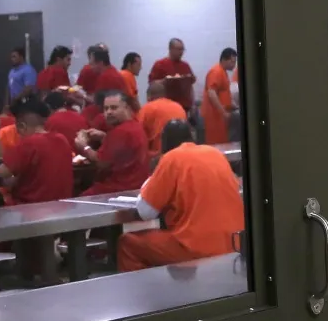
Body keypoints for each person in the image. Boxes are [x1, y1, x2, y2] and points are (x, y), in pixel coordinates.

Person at [118, 120, 245, 271]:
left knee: (128, 243)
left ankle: (147, 287)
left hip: (196, 247)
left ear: (163, 143)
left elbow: (145, 212)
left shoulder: (171, 158)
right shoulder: (215, 154)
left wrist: (155, 174)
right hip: (235, 243)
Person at [0, 96, 74, 205]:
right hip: (63, 207)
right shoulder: (62, 139)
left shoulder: (29, 143)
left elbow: (3, 172)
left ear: (21, 126)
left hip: (30, 209)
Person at [76, 89, 149, 194]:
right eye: (106, 109)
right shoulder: (135, 126)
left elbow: (101, 163)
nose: (109, 112)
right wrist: (104, 137)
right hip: (136, 187)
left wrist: (83, 146)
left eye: (114, 108)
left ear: (127, 108)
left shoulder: (120, 131)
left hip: (117, 189)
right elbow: (122, 149)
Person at [138, 80, 188, 157]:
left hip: (159, 155)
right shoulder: (178, 106)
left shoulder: (147, 108)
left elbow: (138, 135)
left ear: (149, 96)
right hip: (182, 152)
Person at [202, 48, 239, 146]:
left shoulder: (222, 72)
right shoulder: (216, 71)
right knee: (216, 144)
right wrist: (223, 112)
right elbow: (211, 93)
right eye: (232, 62)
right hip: (214, 117)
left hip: (219, 116)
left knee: (222, 142)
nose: (234, 65)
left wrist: (232, 106)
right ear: (224, 59)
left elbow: (222, 94)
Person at [149, 37, 197, 109]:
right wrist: (165, 81)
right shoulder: (160, 64)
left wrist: (192, 103)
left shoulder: (185, 65)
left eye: (182, 49)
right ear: (170, 49)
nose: (181, 52)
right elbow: (152, 84)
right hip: (166, 106)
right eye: (179, 49)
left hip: (184, 105)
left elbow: (190, 86)